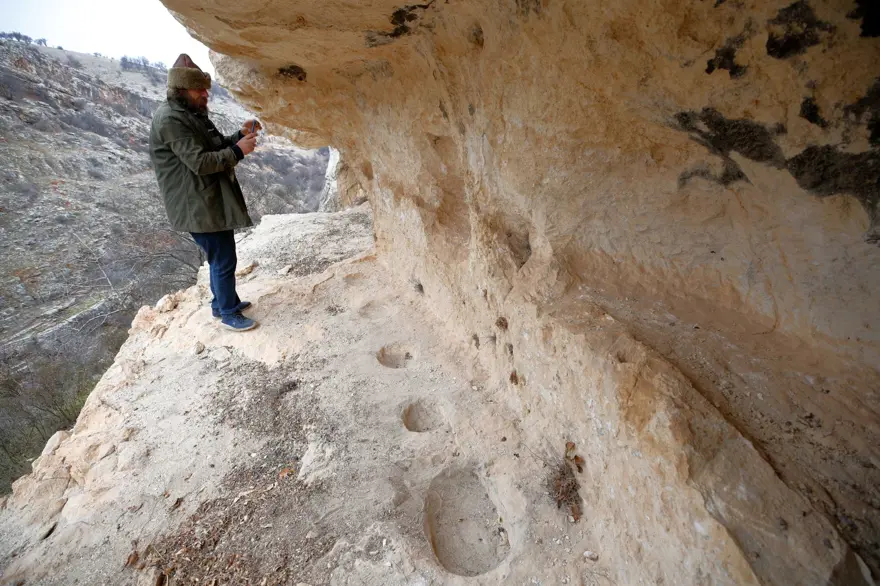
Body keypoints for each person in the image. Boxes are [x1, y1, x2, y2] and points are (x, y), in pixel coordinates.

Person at [149, 54, 262, 331]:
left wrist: (237, 136)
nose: (205, 94)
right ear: (182, 90)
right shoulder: (170, 120)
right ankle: (228, 313)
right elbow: (200, 162)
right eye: (199, 89)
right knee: (223, 257)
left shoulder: (189, 114)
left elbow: (214, 145)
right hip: (195, 204)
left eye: (205, 88)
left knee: (220, 256)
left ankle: (223, 303)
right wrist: (238, 151)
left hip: (205, 199)